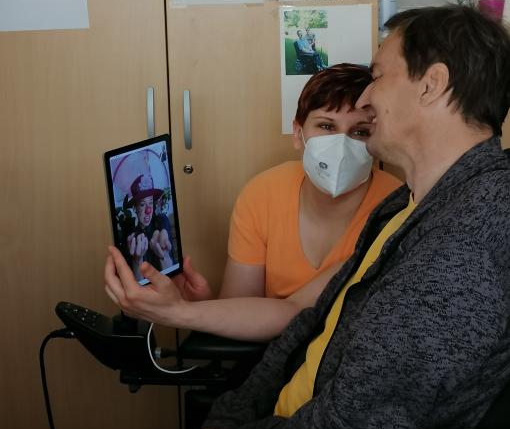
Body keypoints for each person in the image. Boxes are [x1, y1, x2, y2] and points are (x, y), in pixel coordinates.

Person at [192, 5, 510, 429]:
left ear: (431, 85)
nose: (364, 99)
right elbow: (312, 326)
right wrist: (230, 415)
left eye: (378, 76)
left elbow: (353, 426)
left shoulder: (465, 242)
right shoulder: (408, 204)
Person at [105, 64, 402, 343]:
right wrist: (198, 306)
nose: (341, 145)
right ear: (298, 133)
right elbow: (242, 308)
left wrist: (181, 312)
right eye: (326, 126)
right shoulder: (263, 194)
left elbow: (297, 310)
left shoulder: (398, 206)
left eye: (360, 132)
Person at [120, 173, 173, 282]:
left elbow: (171, 274)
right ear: (135, 208)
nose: (148, 210)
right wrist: (137, 260)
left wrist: (164, 255)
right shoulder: (131, 238)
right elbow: (137, 283)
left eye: (150, 203)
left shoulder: (161, 222)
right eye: (142, 204)